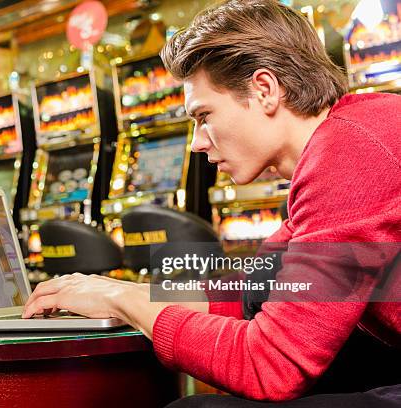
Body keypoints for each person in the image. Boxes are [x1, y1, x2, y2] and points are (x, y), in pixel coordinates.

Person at [22, 0, 401, 406]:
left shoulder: (353, 152)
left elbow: (269, 367)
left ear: (265, 89)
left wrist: (121, 301)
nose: (198, 142)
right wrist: (121, 289)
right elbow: (245, 289)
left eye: (203, 116)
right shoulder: (346, 139)